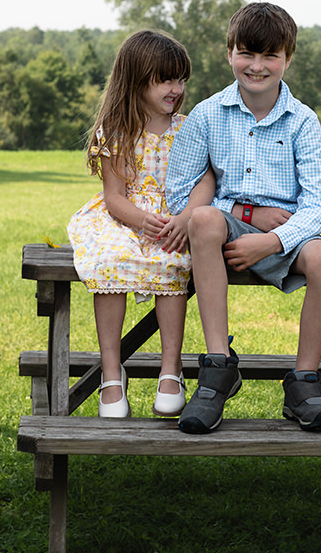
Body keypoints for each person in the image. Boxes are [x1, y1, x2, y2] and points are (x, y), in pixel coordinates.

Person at [165, 1, 321, 435]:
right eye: (247, 53)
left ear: (287, 58)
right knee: (203, 219)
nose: (257, 66)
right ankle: (217, 371)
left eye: (270, 56)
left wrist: (272, 239)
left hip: (290, 231)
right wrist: (246, 214)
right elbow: (178, 196)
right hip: (226, 230)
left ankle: (303, 385)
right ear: (230, 53)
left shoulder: (302, 120)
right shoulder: (208, 115)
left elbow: (319, 205)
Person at [67, 30, 214, 419]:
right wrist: (142, 220)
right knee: (109, 260)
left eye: (181, 79)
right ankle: (111, 372)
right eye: (166, 79)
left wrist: (185, 218)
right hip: (126, 217)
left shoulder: (189, 127)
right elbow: (114, 197)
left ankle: (171, 369)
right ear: (137, 79)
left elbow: (208, 179)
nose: (176, 88)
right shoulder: (116, 132)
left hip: (175, 217)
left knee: (174, 263)